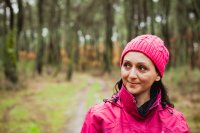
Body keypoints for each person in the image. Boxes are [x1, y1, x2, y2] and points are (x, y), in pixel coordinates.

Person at [81, 34, 190, 133]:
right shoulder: (98, 117)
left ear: (157, 75)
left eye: (142, 68)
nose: (132, 75)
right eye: (127, 65)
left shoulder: (175, 124)